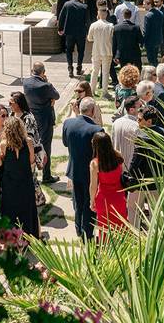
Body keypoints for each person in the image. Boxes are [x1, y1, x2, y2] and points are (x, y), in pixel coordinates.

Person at [62, 97, 104, 239]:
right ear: (92, 111)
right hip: (90, 173)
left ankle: (78, 229)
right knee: (90, 203)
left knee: (78, 202)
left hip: (74, 170)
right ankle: (87, 232)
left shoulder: (68, 123)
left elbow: (65, 143)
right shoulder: (97, 129)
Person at [0, 116, 39, 238]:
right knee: (27, 209)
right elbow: (32, 160)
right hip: (25, 180)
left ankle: (11, 238)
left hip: (10, 182)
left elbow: (1, 162)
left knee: (10, 211)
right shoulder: (29, 141)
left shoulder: (3, 144)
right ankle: (28, 237)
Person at [128, 106, 164, 226]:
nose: (137, 121)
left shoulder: (142, 136)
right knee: (155, 213)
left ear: (149, 121)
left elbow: (135, 161)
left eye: (140, 120)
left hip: (141, 181)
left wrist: (130, 178)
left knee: (133, 210)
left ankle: (134, 236)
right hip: (159, 180)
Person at [22, 62, 60, 183]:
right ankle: (46, 175)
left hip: (32, 118)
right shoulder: (46, 86)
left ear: (32, 70)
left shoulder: (26, 83)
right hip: (45, 119)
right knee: (46, 145)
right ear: (43, 73)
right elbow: (57, 95)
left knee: (31, 144)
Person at [9, 91, 46, 207]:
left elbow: (29, 136)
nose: (9, 105)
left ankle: (39, 198)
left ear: (18, 103)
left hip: (29, 150)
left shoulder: (28, 118)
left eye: (11, 103)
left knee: (31, 176)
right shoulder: (11, 115)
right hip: (16, 150)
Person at [90, 131, 127, 236]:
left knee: (105, 229)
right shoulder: (118, 156)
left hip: (103, 200)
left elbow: (93, 186)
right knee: (121, 227)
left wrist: (91, 201)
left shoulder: (95, 163)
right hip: (119, 197)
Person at [58, 0, 89, 77]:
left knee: (69, 51)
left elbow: (61, 17)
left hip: (69, 32)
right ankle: (79, 68)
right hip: (80, 33)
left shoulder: (67, 4)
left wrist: (60, 28)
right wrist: (88, 32)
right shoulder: (84, 7)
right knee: (81, 51)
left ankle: (70, 68)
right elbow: (88, 21)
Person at [87, 7, 115, 97]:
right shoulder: (110, 25)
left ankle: (92, 90)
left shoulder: (93, 25)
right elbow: (112, 39)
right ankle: (104, 92)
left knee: (95, 71)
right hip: (107, 51)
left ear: (98, 14)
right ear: (106, 14)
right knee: (106, 72)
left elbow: (89, 38)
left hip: (96, 51)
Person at [111, 95, 143, 168]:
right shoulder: (136, 126)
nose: (142, 109)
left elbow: (112, 143)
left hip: (116, 165)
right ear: (131, 110)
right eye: (140, 106)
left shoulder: (116, 122)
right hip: (130, 167)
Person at [142, 0, 164, 66]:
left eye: (144, 4)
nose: (143, 6)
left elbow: (146, 31)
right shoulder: (160, 13)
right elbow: (163, 25)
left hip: (150, 41)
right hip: (158, 39)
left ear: (149, 4)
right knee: (155, 58)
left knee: (151, 60)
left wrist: (142, 41)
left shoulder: (148, 15)